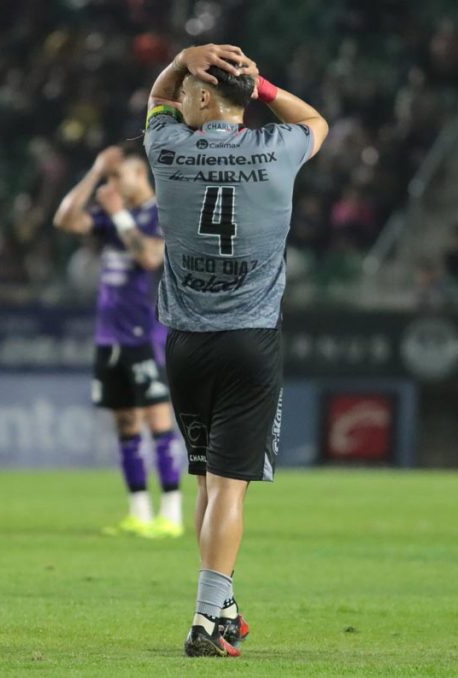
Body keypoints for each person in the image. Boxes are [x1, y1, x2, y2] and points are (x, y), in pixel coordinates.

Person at [144, 44, 328, 656]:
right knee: (228, 487)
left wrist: (182, 57)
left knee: (205, 481)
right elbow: (317, 122)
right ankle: (204, 620)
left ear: (201, 97)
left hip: (187, 344)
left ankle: (222, 608)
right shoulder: (277, 150)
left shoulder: (167, 150)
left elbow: (156, 100)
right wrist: (263, 85)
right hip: (251, 341)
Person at [54, 147, 184, 539]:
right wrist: (94, 171)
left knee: (158, 421)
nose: (111, 185)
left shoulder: (163, 213)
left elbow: (149, 258)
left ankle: (172, 514)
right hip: (109, 337)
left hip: (148, 336)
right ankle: (139, 512)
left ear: (140, 174)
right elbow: (64, 219)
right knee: (126, 423)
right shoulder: (114, 217)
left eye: (117, 177)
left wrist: (117, 213)